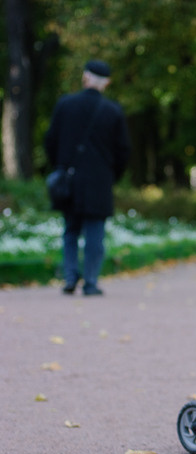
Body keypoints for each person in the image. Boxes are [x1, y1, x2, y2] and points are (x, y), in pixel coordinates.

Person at [45, 60, 131, 296]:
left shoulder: (65, 105)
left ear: (85, 78)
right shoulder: (113, 111)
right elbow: (123, 150)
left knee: (70, 230)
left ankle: (70, 277)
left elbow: (50, 140)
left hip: (69, 178)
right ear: (107, 83)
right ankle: (91, 282)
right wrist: (112, 175)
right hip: (99, 181)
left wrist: (61, 167)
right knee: (95, 233)